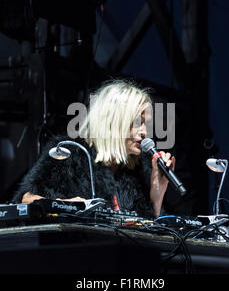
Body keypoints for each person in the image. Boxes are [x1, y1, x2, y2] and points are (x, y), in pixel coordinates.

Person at [11, 79, 176, 218]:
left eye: (146, 124)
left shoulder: (139, 169)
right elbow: (24, 200)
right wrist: (69, 206)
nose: (144, 132)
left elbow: (149, 231)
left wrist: (157, 191)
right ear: (112, 121)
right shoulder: (69, 152)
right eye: (137, 122)